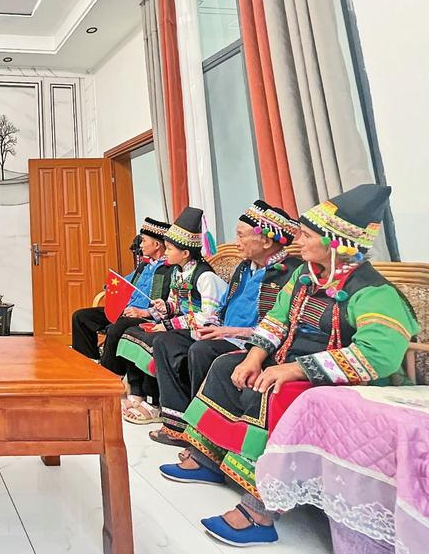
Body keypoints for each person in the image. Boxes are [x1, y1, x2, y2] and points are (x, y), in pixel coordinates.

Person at [160, 184, 419, 547]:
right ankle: (209, 457)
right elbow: (276, 320)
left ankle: (260, 510)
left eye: (308, 235)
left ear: (338, 244)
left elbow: (377, 356)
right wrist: (254, 356)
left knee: (276, 391)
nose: (299, 241)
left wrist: (294, 370)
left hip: (341, 380)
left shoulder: (373, 291)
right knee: (225, 366)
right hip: (289, 362)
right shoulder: (304, 276)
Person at [148, 201, 302, 446]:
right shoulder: (243, 267)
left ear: (265, 240)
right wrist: (211, 323)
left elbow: (283, 326)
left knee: (202, 350)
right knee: (165, 342)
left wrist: (231, 331)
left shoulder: (290, 273)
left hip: (252, 343)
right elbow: (223, 306)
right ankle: (177, 422)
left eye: (241, 235)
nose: (236, 242)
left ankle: (203, 432)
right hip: (224, 333)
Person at [116, 207, 228, 424]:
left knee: (158, 340)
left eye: (169, 248)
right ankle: (141, 394)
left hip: (205, 330)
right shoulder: (179, 271)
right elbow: (176, 304)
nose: (165, 253)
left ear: (185, 253)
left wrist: (170, 325)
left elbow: (209, 317)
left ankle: (157, 403)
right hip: (185, 325)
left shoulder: (205, 277)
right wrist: (165, 307)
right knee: (133, 332)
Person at [70, 218, 172, 361]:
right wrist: (112, 287)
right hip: (125, 311)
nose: (140, 245)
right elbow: (124, 282)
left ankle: (107, 369)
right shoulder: (144, 266)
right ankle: (87, 362)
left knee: (115, 328)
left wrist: (145, 312)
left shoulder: (170, 269)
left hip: (144, 316)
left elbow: (170, 304)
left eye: (143, 241)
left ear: (156, 245)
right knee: (81, 317)